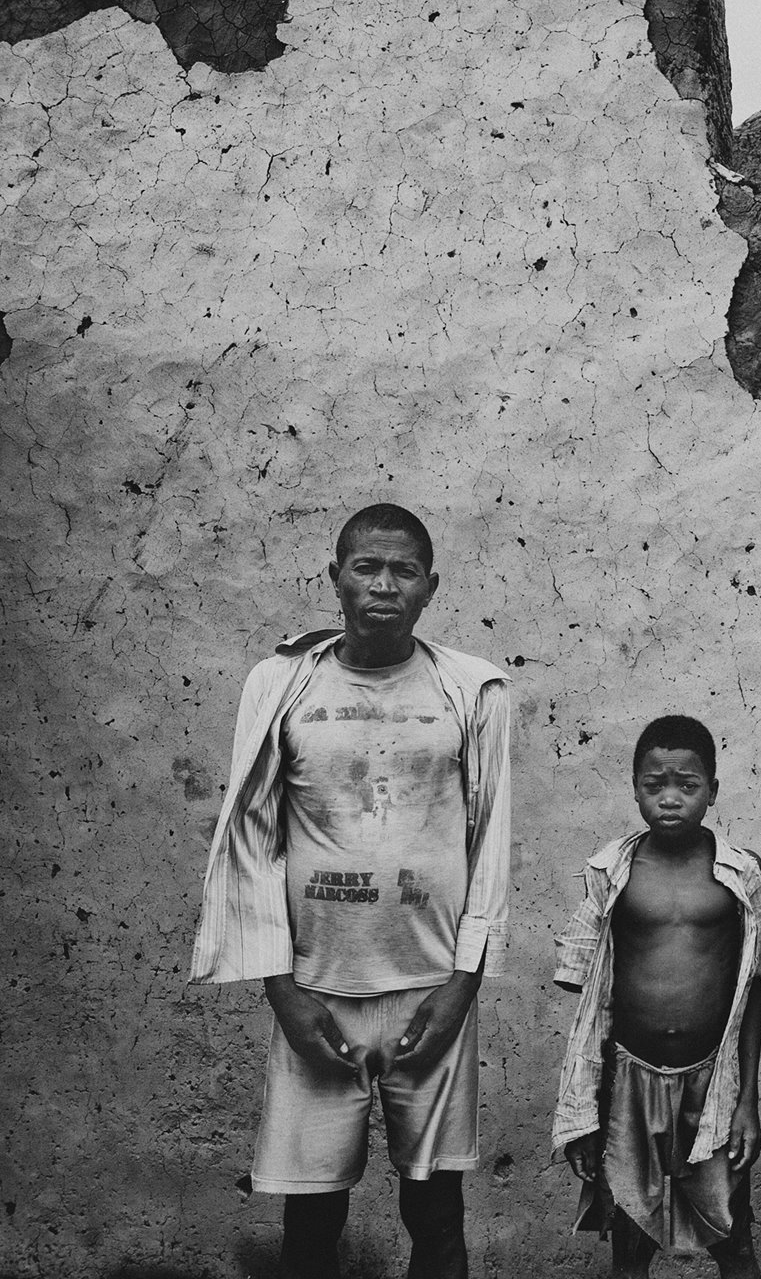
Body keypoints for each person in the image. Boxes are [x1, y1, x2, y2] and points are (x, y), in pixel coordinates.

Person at [189, 503, 511, 1279]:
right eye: (367, 567)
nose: (384, 584)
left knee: (435, 1216)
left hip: (430, 992)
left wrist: (461, 988)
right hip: (317, 994)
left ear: (429, 588)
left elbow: (491, 842)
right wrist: (284, 994)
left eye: (403, 570)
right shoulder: (281, 684)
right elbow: (252, 843)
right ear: (335, 579)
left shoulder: (473, 688)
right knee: (311, 1220)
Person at [552, 714, 761, 1279]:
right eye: (654, 785)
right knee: (631, 1241)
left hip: (714, 1082)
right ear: (635, 788)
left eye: (687, 785)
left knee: (733, 1235)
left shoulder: (739, 873)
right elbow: (589, 1000)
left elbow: (750, 988)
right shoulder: (611, 872)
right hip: (629, 1080)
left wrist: (748, 1102)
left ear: (712, 790)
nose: (670, 799)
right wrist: (587, 1110)